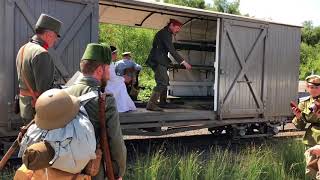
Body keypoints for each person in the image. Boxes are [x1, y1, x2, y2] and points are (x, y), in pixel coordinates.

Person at [65, 43, 126, 180]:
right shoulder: (105, 100)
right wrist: (118, 172)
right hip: (90, 171)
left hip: (61, 169)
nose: (109, 75)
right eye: (108, 69)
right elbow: (115, 142)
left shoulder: (63, 94)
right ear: (99, 70)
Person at [16, 13, 62, 123]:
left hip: (25, 106)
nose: (55, 40)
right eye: (55, 36)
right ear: (48, 35)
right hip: (36, 110)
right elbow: (46, 92)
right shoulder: (41, 53)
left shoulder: (23, 48)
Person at [146, 18, 192, 111]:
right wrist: (184, 62)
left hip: (161, 60)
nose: (178, 30)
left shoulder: (167, 33)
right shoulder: (165, 33)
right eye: (177, 28)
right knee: (162, 81)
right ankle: (151, 104)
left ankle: (162, 102)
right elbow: (171, 50)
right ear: (171, 25)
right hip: (158, 61)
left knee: (165, 81)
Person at [292, 75, 320, 179]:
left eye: (316, 87)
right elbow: (299, 126)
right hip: (311, 140)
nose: (313, 90)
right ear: (307, 88)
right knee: (310, 171)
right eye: (311, 87)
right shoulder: (304, 103)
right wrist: (298, 117)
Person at [105, 45, 136, 112]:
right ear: (112, 54)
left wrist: (121, 78)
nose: (116, 56)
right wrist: (123, 78)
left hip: (109, 82)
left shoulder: (113, 63)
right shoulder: (110, 63)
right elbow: (112, 78)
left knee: (121, 83)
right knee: (121, 85)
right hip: (107, 84)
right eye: (115, 54)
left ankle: (124, 105)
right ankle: (122, 106)